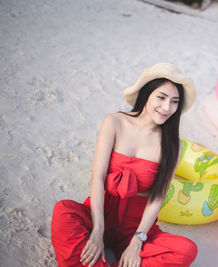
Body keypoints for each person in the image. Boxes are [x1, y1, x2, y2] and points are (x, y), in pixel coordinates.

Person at [51, 63, 198, 267]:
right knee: (63, 211)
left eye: (174, 102)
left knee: (186, 250)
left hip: (135, 225)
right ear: (146, 94)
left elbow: (158, 196)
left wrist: (138, 240)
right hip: (100, 212)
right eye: (161, 97)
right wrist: (97, 229)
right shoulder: (115, 122)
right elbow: (98, 177)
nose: (167, 108)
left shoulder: (173, 145)